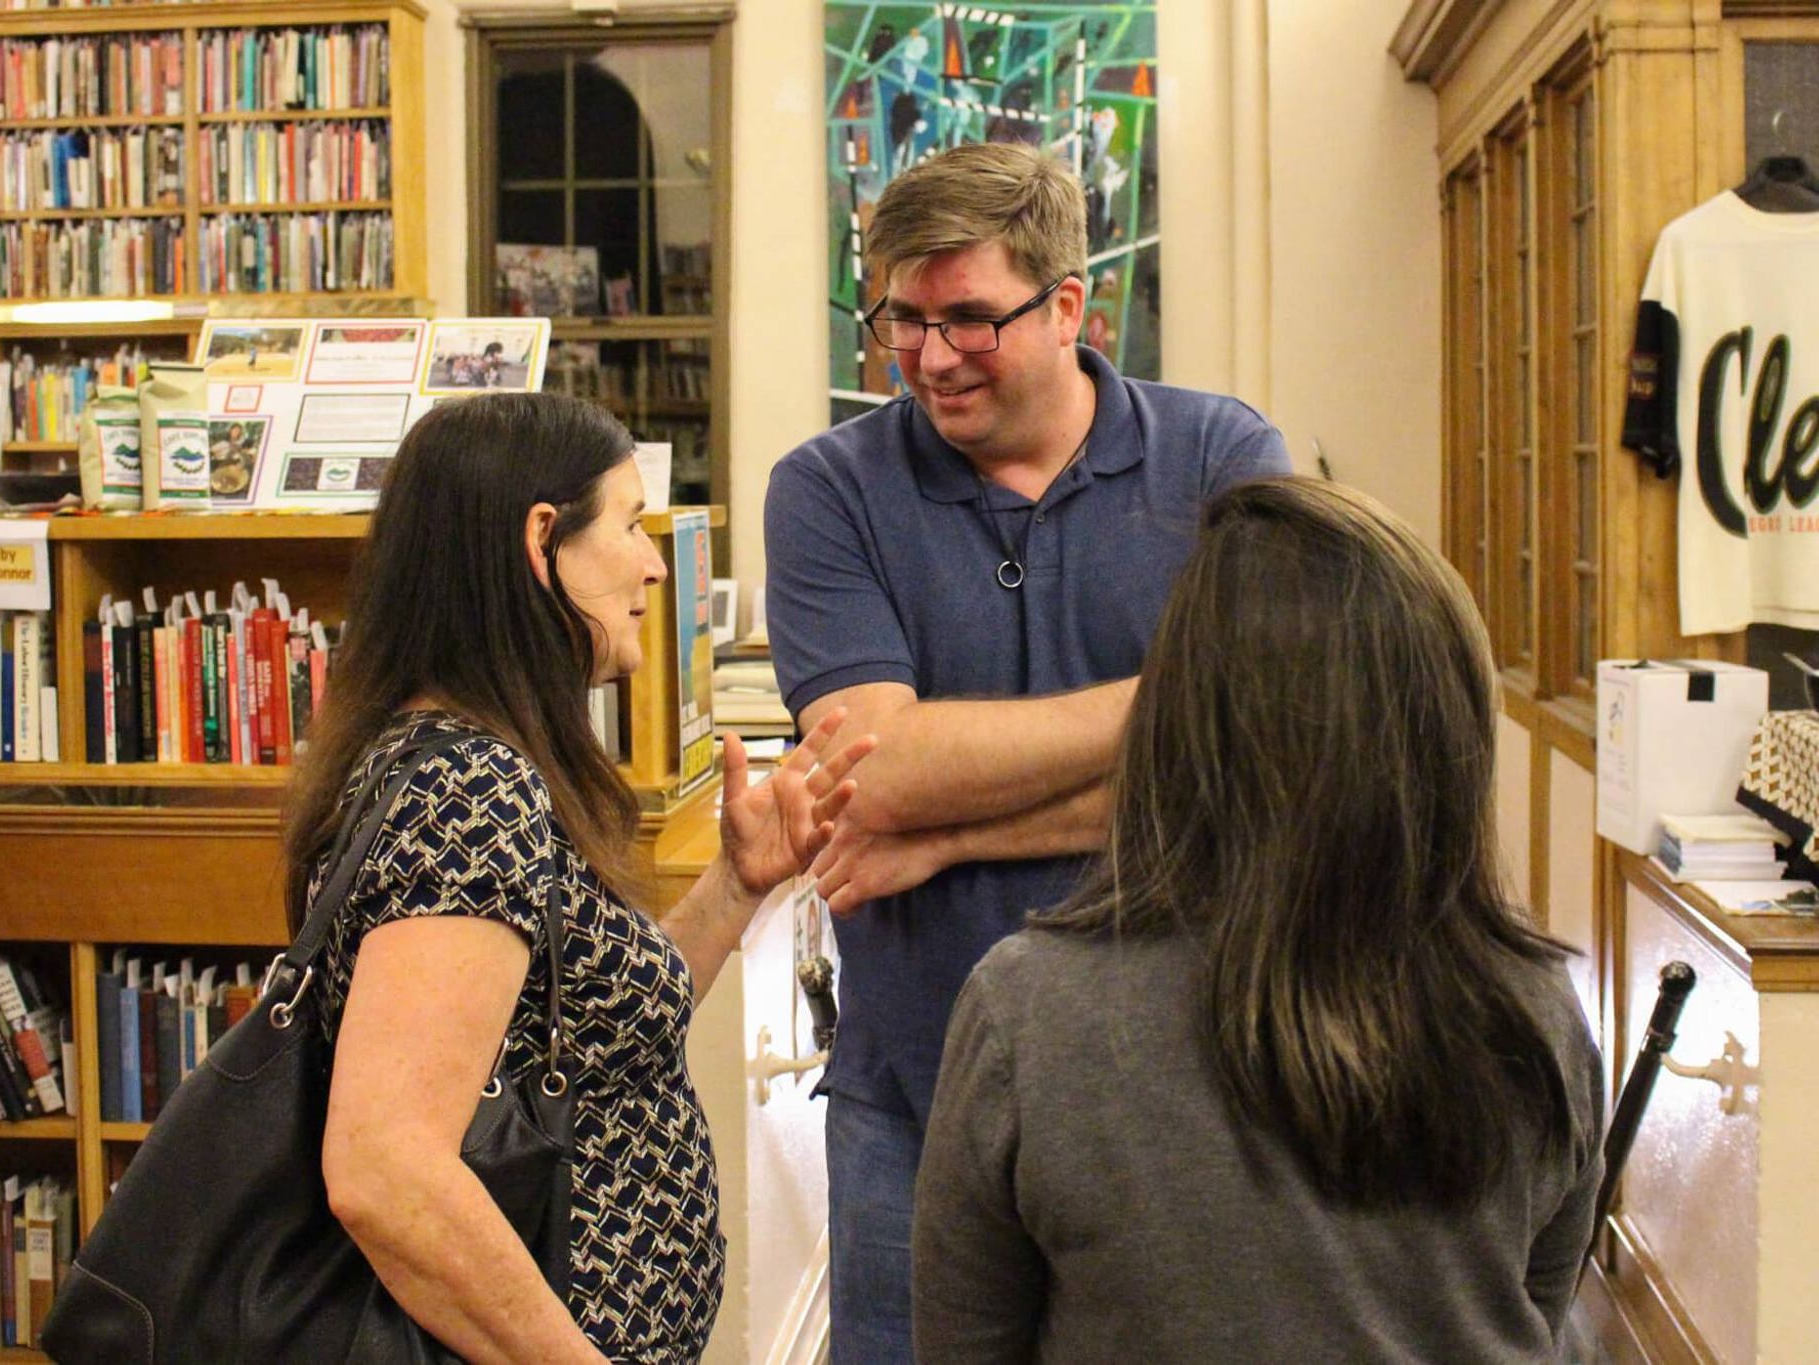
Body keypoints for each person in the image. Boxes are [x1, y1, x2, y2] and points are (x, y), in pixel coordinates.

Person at [763, 141, 1290, 1359]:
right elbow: (872, 771)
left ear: (1066, 307)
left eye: (967, 318)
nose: (929, 354)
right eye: (901, 315)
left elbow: (1271, 768)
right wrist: (1185, 697)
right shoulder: (826, 489)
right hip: (913, 1093)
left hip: (1195, 1088)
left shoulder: (1220, 459)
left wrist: (952, 829)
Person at [913, 477, 1606, 1362]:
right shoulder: (1536, 1004)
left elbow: (962, 1343)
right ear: (1447, 736)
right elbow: (1536, 1312)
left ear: (1175, 722)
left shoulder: (1030, 1012)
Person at [289, 393, 875, 1363]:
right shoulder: (463, 786)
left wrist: (736, 880)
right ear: (541, 539)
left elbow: (595, 1034)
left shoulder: (469, 763)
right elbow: (383, 1168)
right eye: (632, 523)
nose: (653, 564)